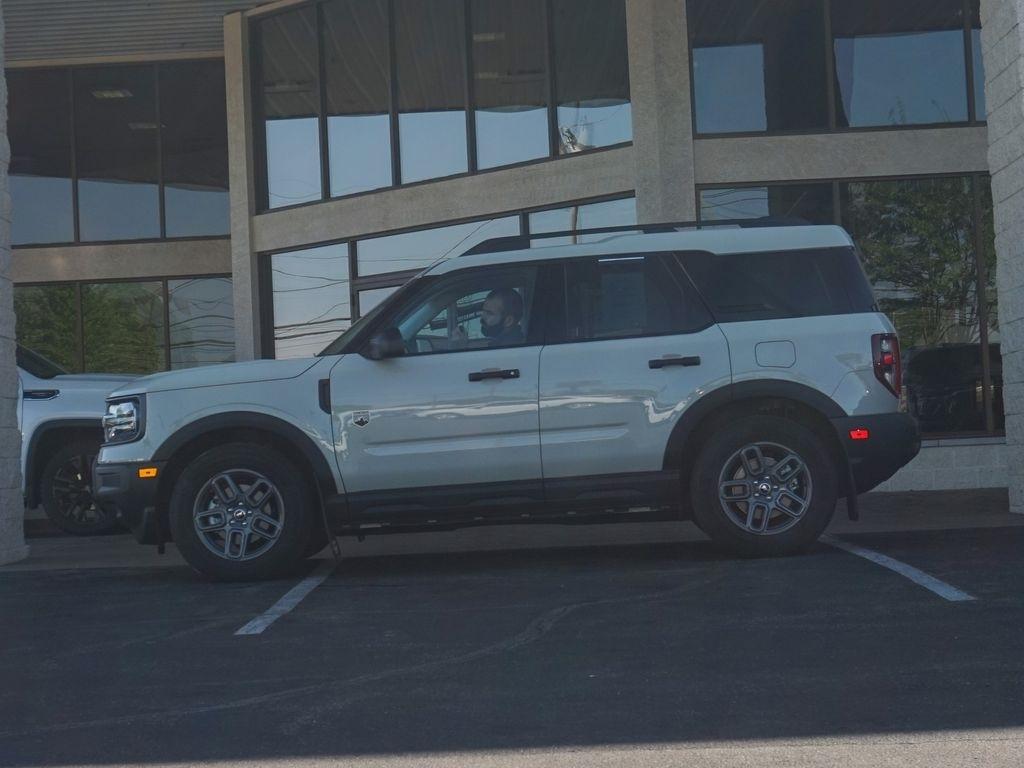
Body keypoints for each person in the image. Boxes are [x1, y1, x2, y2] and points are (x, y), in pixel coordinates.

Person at [451, 287, 525, 348]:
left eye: (489, 313)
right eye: (483, 311)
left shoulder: (511, 348)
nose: (483, 317)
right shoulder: (502, 344)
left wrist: (460, 347)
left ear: (508, 321)